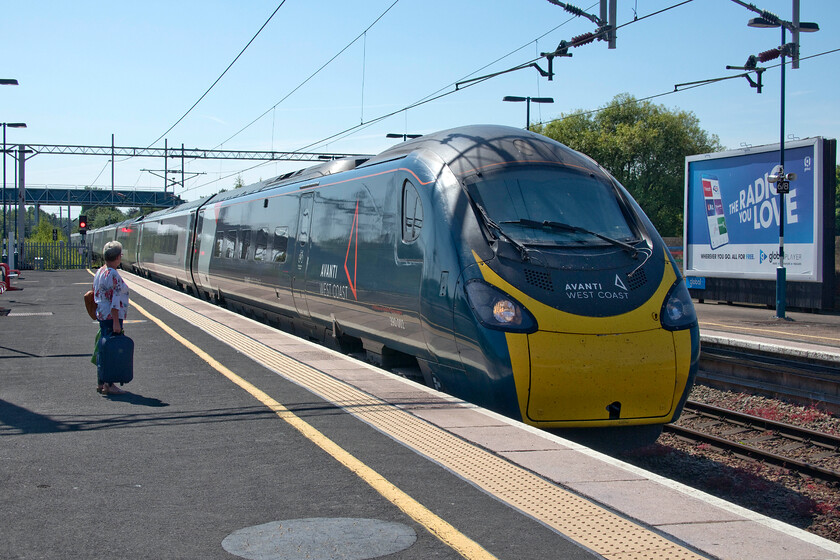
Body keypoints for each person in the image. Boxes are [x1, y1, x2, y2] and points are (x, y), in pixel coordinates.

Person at [93, 241, 130, 395]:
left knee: (103, 349)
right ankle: (110, 384)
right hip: (111, 316)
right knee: (112, 350)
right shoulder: (113, 274)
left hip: (102, 314)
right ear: (117, 257)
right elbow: (115, 301)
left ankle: (101, 382)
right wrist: (116, 322)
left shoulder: (100, 272)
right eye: (120, 255)